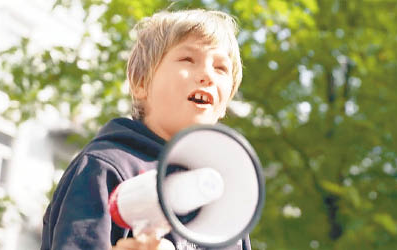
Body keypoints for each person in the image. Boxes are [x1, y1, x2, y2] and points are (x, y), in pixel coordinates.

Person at [40, 8, 249, 250]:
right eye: (188, 60)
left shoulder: (224, 199)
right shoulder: (105, 169)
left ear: (225, 104)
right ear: (141, 82)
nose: (207, 75)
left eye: (221, 68)